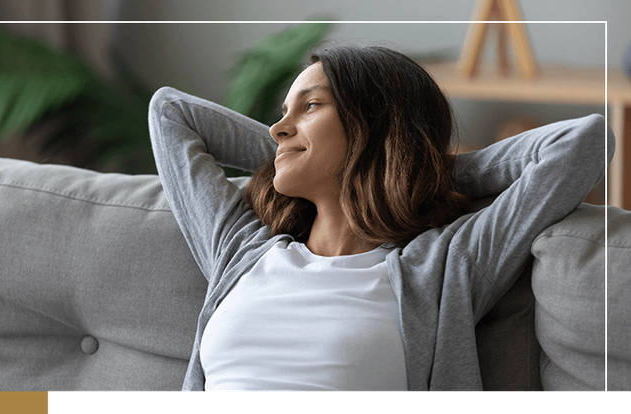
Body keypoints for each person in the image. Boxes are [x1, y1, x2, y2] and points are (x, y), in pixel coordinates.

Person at [148, 45, 613, 392]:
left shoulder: (443, 268)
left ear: (375, 132)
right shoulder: (241, 250)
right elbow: (170, 112)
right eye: (283, 114)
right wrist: (291, 150)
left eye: (310, 106)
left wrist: (415, 163)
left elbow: (584, 142)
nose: (278, 128)